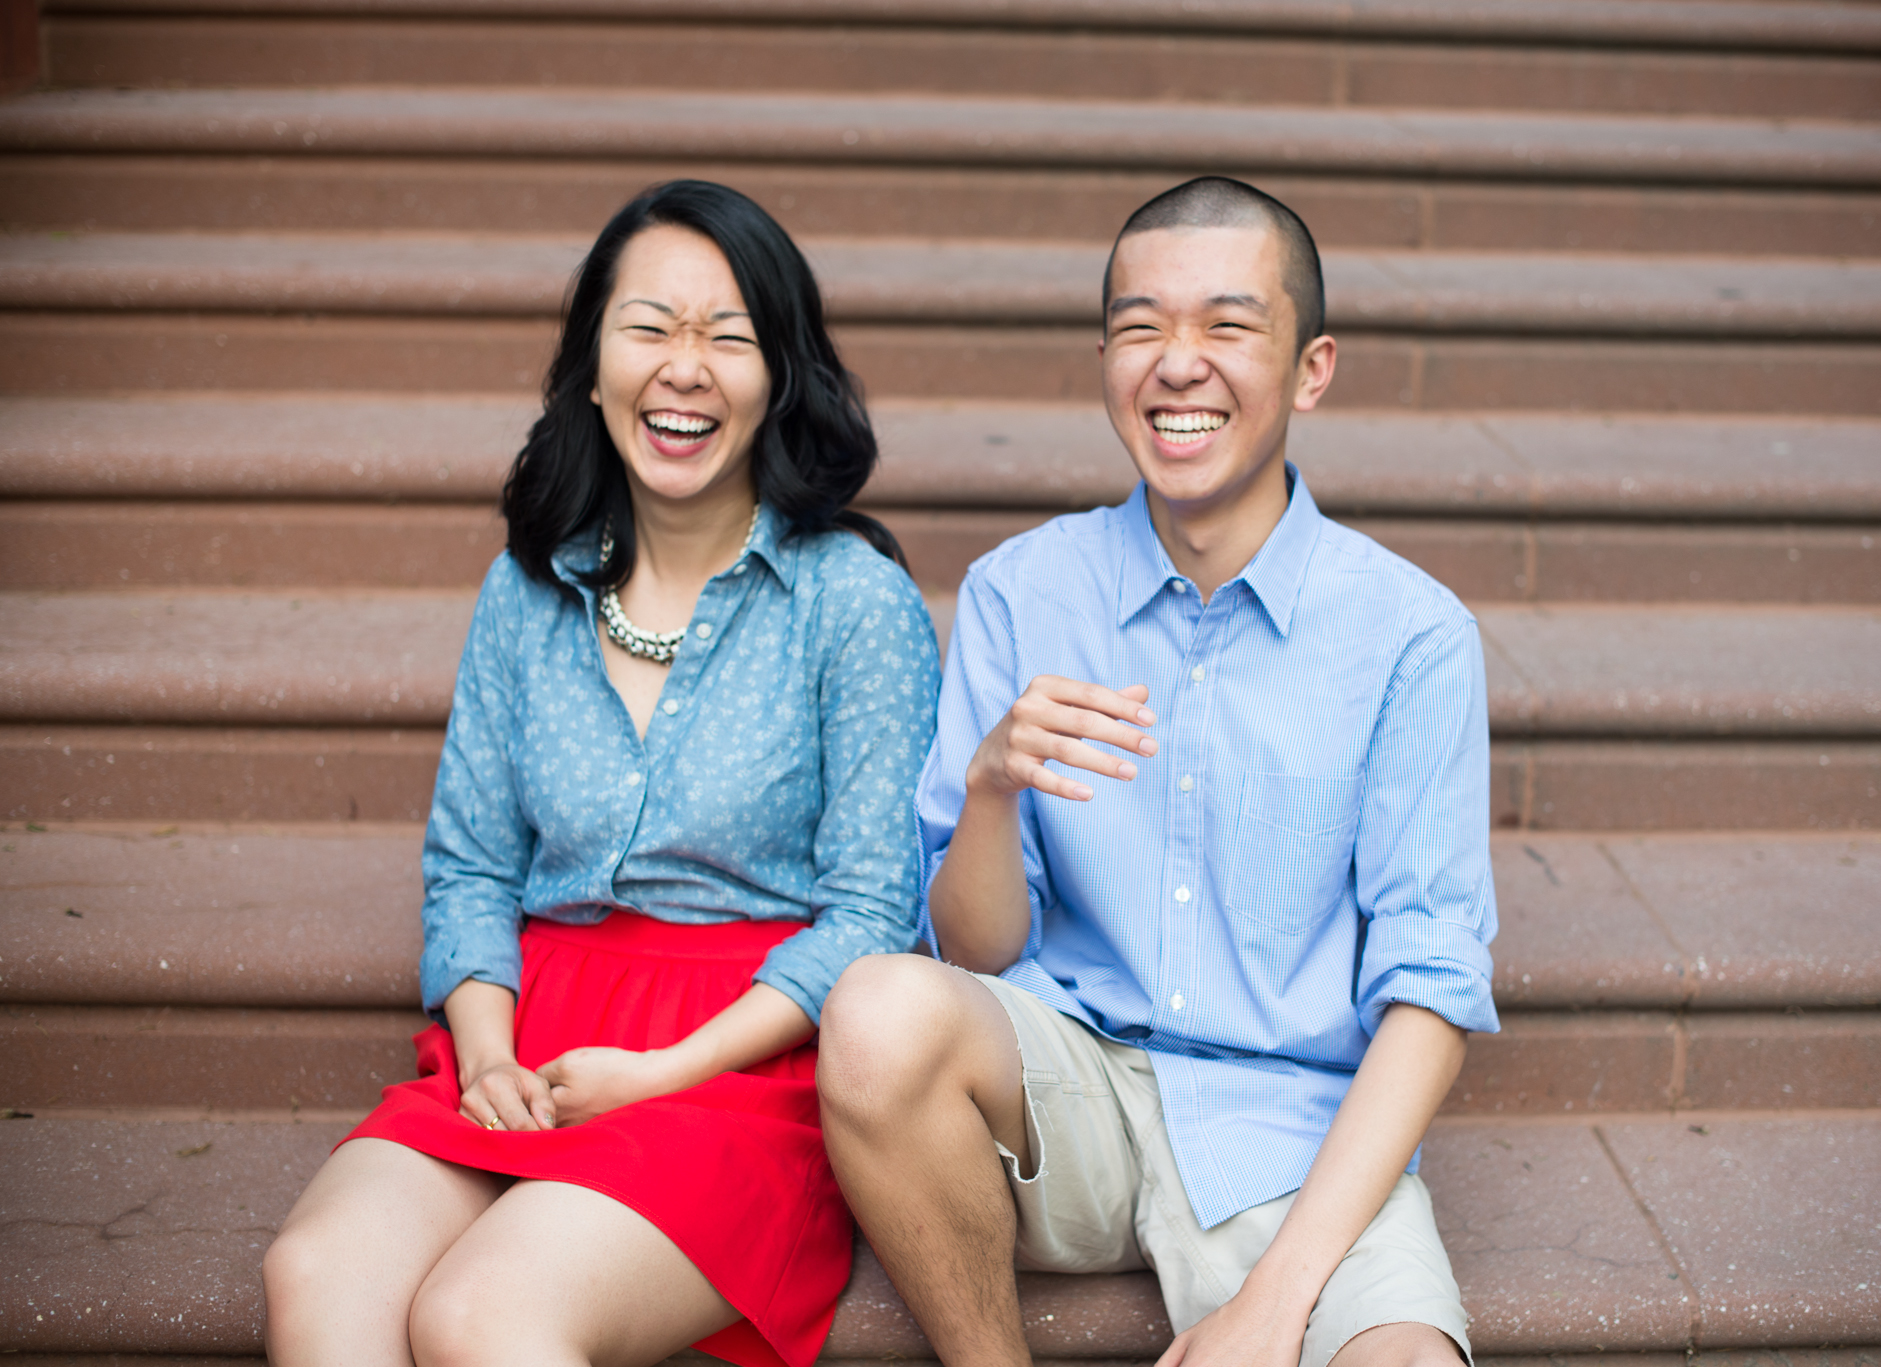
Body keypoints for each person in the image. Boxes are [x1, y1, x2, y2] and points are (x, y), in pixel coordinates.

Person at [816, 176, 1498, 1367]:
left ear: (1310, 367)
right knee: (873, 1009)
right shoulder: (1022, 590)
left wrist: (1276, 1301)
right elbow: (970, 954)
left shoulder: (1407, 633)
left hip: (1291, 1129)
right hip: (1067, 1088)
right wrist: (990, 788)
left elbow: (1430, 989)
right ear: (1103, 358)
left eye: (1226, 326)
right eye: (1140, 327)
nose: (1176, 363)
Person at [262, 180, 941, 1367]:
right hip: (528, 1039)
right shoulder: (527, 588)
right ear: (592, 365)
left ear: (780, 378)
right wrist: (484, 1052)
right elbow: (472, 862)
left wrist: (662, 1070)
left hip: (743, 1061)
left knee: (481, 1315)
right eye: (649, 328)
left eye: (728, 337)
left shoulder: (850, 599)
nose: (684, 367)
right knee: (317, 1271)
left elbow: (876, 908)